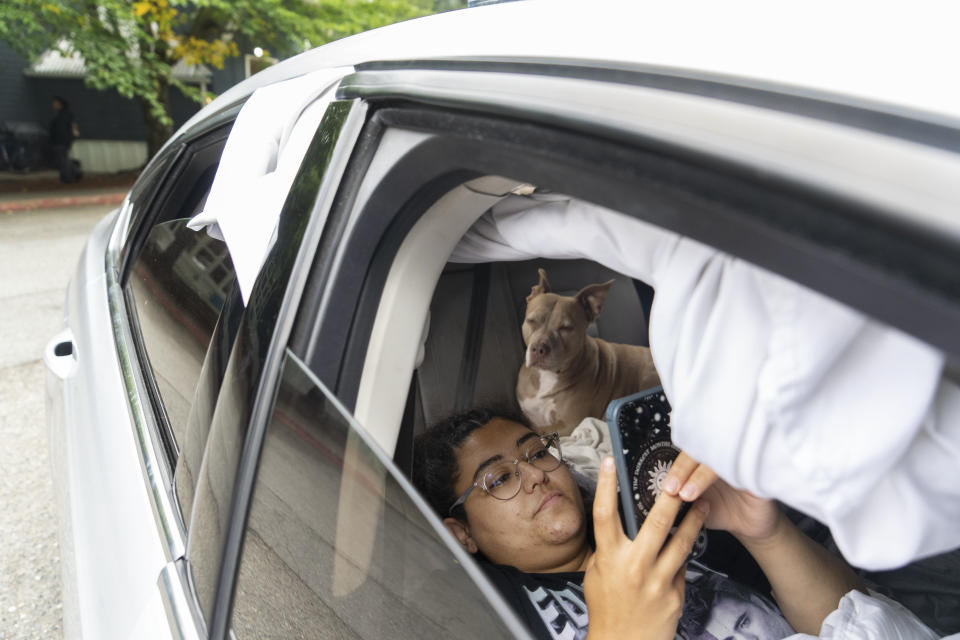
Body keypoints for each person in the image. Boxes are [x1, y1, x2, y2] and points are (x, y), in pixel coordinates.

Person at [412, 408, 932, 640]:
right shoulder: (484, 613)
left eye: (538, 452)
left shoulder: (661, 521)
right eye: (499, 479)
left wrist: (765, 533)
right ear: (462, 533)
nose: (534, 475)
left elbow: (854, 620)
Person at [49, 96, 78, 183]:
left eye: (55, 104)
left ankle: (67, 177)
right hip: (63, 140)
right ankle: (67, 176)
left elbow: (66, 128)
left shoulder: (63, 115)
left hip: (61, 140)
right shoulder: (64, 114)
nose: (53, 105)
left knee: (62, 159)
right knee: (63, 158)